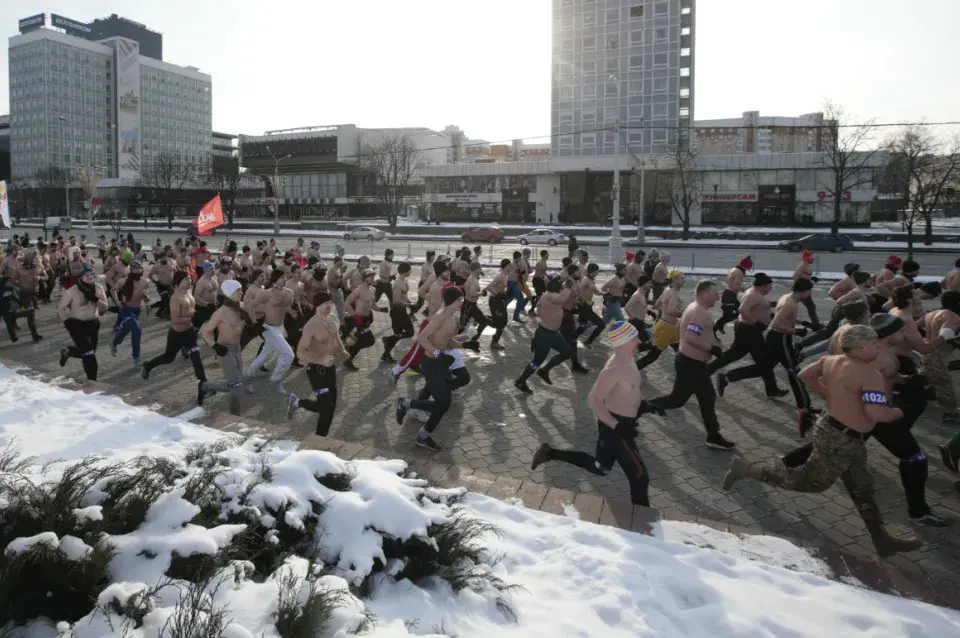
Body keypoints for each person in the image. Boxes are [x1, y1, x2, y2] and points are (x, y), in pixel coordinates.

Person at [721, 324, 924, 558]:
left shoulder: (832, 360)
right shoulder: (870, 374)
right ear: (860, 347)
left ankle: (882, 540)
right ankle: (747, 469)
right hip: (840, 439)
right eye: (873, 343)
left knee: (862, 488)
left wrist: (829, 393)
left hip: (839, 431)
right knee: (811, 482)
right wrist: (900, 412)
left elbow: (805, 374)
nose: (878, 346)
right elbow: (877, 414)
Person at [531, 321, 665, 507]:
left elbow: (631, 390)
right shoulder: (613, 370)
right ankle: (642, 525)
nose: (638, 341)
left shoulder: (629, 360)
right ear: (623, 342)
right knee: (639, 476)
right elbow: (593, 400)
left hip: (619, 426)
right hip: (615, 429)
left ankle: (549, 453)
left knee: (600, 468)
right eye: (634, 338)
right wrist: (617, 426)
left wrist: (645, 405)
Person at [649, 280, 736, 450]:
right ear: (704, 294)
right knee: (678, 400)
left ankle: (713, 435)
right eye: (715, 293)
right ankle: (639, 407)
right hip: (691, 364)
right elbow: (690, 337)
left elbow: (685, 329)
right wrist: (711, 348)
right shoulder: (699, 312)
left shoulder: (694, 307)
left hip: (692, 363)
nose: (718, 298)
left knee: (703, 398)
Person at [718, 278, 814, 422]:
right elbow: (776, 324)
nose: (810, 294)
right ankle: (804, 407)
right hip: (781, 340)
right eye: (810, 291)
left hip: (775, 338)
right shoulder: (790, 304)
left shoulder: (786, 297)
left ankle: (727, 377)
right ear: (805, 291)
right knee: (794, 372)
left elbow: (780, 316)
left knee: (764, 368)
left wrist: (802, 322)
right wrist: (796, 331)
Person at [394, 285, 471, 451]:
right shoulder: (440, 317)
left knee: (443, 404)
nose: (462, 303)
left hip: (442, 363)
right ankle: (406, 405)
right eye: (460, 300)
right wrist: (436, 353)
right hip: (431, 363)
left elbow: (448, 340)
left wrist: (467, 343)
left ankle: (421, 432)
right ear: (453, 301)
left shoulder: (452, 317)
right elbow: (421, 338)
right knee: (443, 403)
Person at [711, 273, 789, 399]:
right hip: (750, 331)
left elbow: (759, 307)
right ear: (763, 286)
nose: (770, 288)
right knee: (764, 363)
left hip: (749, 331)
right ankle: (726, 377)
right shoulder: (753, 294)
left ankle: (708, 372)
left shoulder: (756, 294)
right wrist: (755, 323)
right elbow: (743, 309)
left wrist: (773, 306)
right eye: (769, 286)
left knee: (733, 355)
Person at [141, 271, 213, 405]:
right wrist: (192, 315)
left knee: (196, 359)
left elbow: (194, 307)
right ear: (178, 281)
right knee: (169, 358)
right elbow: (175, 320)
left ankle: (204, 387)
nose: (189, 281)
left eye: (190, 278)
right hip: (177, 333)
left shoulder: (189, 292)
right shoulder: (175, 298)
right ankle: (148, 365)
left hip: (190, 332)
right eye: (186, 279)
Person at [288, 291, 351, 435]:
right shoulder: (310, 326)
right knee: (326, 406)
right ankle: (298, 403)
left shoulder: (333, 319)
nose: (329, 305)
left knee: (331, 406)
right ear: (318, 305)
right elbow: (300, 353)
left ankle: (321, 437)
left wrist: (342, 350)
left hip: (330, 367)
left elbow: (336, 337)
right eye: (325, 303)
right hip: (316, 370)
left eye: (330, 302)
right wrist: (320, 360)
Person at [200, 280, 255, 415]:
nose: (242, 292)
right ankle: (235, 417)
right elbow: (206, 332)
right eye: (239, 290)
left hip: (237, 348)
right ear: (230, 293)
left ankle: (205, 386)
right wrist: (215, 346)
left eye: (241, 289)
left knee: (237, 381)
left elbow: (245, 323)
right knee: (236, 386)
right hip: (225, 350)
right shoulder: (220, 312)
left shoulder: (241, 306)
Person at [515, 275, 575, 393]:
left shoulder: (547, 295)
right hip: (546, 335)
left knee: (566, 353)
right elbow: (562, 299)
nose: (562, 289)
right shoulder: (551, 296)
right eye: (561, 287)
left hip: (553, 334)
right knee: (536, 362)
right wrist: (568, 287)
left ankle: (544, 370)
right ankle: (521, 381)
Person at [247, 269, 298, 393]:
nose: (285, 279)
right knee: (288, 354)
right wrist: (254, 323)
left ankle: (246, 378)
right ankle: (275, 382)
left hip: (281, 328)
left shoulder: (289, 292)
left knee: (264, 354)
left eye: (285, 276)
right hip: (269, 329)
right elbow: (249, 305)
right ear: (275, 279)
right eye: (281, 277)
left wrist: (292, 312)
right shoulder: (267, 293)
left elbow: (286, 305)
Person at [57, 264, 107, 381]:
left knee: (89, 352)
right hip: (76, 324)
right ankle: (92, 381)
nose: (90, 277)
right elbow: (60, 308)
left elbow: (105, 307)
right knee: (89, 353)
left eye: (91, 274)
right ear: (80, 277)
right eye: (86, 275)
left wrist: (95, 299)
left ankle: (68, 352)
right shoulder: (72, 291)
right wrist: (66, 321)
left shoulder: (98, 288)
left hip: (93, 323)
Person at [920, 291, 960, 426]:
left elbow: (914, 325)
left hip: (927, 356)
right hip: (939, 357)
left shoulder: (931, 314)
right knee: (946, 387)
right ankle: (950, 415)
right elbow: (944, 336)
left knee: (936, 384)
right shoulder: (953, 317)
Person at [636, 269, 684, 371]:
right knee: (653, 356)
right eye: (681, 278)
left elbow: (657, 304)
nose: (683, 280)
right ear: (674, 279)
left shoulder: (667, 289)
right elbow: (671, 311)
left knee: (682, 352)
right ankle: (632, 369)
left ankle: (689, 372)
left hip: (670, 327)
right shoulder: (674, 293)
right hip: (667, 328)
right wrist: (684, 313)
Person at [110, 260, 150, 365]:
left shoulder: (145, 282)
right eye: (136, 268)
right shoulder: (123, 281)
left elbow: (146, 298)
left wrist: (147, 300)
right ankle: (136, 356)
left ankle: (114, 342)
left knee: (126, 329)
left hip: (136, 310)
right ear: (131, 270)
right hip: (126, 309)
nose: (138, 270)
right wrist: (117, 301)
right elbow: (112, 289)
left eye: (140, 268)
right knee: (137, 329)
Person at [382, 262, 415, 361]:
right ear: (406, 271)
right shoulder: (397, 283)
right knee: (399, 334)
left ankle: (388, 341)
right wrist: (408, 305)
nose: (411, 271)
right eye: (410, 270)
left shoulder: (404, 281)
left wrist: (411, 302)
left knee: (409, 332)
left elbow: (404, 296)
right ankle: (386, 353)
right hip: (397, 312)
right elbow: (395, 301)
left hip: (402, 310)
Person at [714, 256, 752, 334]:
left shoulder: (734, 269)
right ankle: (713, 330)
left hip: (728, 294)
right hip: (730, 296)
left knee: (730, 314)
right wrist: (746, 289)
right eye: (748, 268)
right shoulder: (740, 273)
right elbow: (736, 286)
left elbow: (726, 281)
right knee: (737, 312)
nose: (748, 270)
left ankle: (720, 326)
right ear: (745, 266)